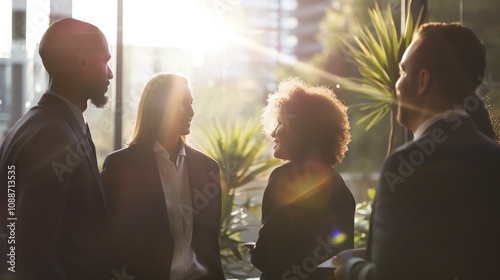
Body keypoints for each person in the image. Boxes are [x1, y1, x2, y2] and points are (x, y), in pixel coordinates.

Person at [333, 22, 500, 280]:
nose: (396, 85)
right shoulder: (493, 158)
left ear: (423, 81)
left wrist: (350, 270)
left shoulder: (405, 166)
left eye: (402, 71)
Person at [0, 18, 113, 279]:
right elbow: (33, 256)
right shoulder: (53, 136)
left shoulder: (34, 125)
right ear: (82, 61)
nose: (110, 73)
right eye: (105, 61)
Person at [101, 73, 225, 280]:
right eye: (182, 104)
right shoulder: (121, 167)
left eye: (192, 103)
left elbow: (210, 241)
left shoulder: (208, 168)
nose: (192, 112)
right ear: (158, 108)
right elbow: (110, 240)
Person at [250, 77, 356, 280]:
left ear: (301, 130)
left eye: (280, 123)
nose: (273, 132)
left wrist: (255, 251)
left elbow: (267, 256)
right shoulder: (339, 185)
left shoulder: (284, 177)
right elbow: (338, 257)